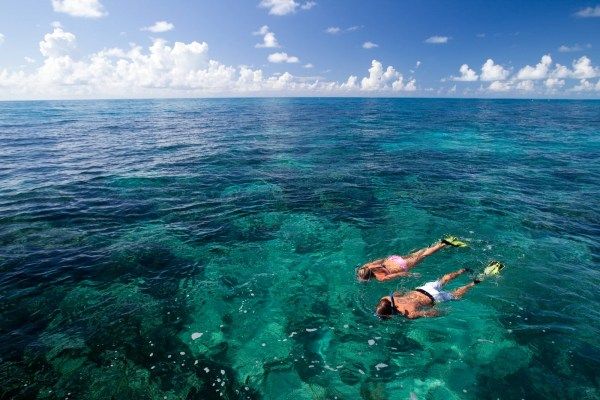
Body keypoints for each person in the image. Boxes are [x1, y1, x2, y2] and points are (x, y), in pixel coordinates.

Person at [374, 261, 504, 319]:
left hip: (434, 298)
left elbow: (429, 313)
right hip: (422, 289)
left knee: (455, 295)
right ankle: (463, 270)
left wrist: (444, 313)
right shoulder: (385, 298)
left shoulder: (409, 314)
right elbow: (399, 293)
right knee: (443, 280)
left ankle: (475, 282)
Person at [356, 236, 467, 282]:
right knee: (417, 253)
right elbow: (381, 260)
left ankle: (443, 243)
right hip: (392, 259)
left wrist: (411, 275)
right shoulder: (368, 265)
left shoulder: (381, 278)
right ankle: (440, 243)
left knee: (424, 255)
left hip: (402, 266)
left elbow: (398, 274)